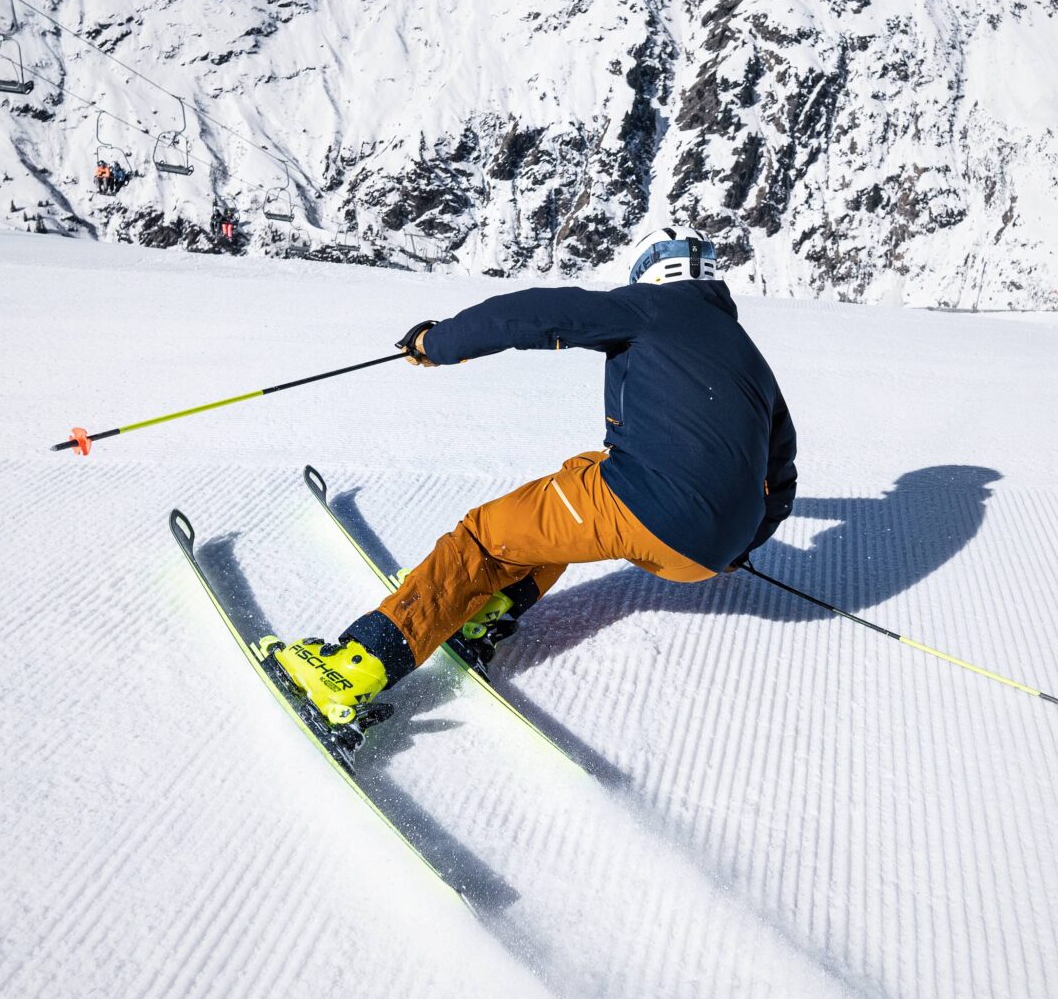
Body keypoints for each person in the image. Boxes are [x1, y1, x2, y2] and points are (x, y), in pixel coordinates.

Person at [272, 230, 797, 725]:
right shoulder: (750, 355)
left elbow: (533, 315)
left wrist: (438, 343)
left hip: (649, 509)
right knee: (584, 473)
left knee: (482, 537)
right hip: (710, 555)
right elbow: (781, 475)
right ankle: (492, 607)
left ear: (649, 272)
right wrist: (736, 545)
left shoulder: (652, 308)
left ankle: (352, 670)